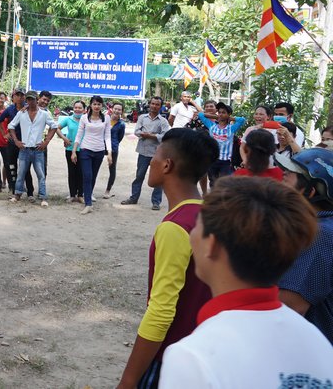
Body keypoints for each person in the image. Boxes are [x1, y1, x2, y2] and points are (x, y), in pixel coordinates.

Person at [159, 176, 333, 387]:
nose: (191, 235)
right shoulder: (318, 343)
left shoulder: (193, 356)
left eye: (197, 225)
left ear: (212, 244)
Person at [118, 128, 219, 389]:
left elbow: (161, 312)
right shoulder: (216, 216)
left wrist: (129, 379)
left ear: (167, 165)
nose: (150, 160)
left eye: (155, 155)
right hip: (207, 352)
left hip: (173, 357)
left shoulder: (176, 227)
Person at [276, 148, 333, 343]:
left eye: (289, 176)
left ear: (310, 191)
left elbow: (288, 308)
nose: (281, 179)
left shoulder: (320, 236)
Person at [121, 97, 171, 212]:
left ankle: (156, 202)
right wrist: (149, 135)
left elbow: (165, 136)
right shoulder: (142, 118)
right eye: (152, 104)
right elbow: (137, 132)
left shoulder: (163, 121)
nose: (154, 106)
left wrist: (151, 136)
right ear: (149, 104)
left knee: (158, 178)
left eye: (157, 104)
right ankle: (133, 198)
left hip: (157, 153)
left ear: (160, 106)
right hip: (143, 152)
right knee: (139, 176)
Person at [9, 91, 57, 208]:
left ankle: (43, 196)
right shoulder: (22, 113)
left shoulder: (44, 114)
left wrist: (46, 141)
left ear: (37, 99)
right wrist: (16, 141)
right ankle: (17, 194)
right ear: (26, 100)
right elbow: (11, 126)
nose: (30, 101)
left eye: (33, 99)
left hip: (38, 149)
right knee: (21, 173)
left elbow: (54, 126)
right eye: (28, 99)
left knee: (40, 174)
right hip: (24, 148)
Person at [72, 95, 112, 214]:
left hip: (99, 151)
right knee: (87, 176)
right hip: (85, 150)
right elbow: (79, 135)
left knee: (93, 177)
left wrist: (109, 153)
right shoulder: (84, 118)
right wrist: (74, 151)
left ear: (101, 105)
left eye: (99, 104)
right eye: (94, 104)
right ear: (90, 105)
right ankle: (88, 204)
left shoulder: (106, 118)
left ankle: (88, 197)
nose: (96, 106)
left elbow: (107, 136)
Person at [196, 101, 247, 186]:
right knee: (213, 182)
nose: (220, 114)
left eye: (223, 112)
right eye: (219, 112)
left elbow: (242, 120)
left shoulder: (231, 128)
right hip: (213, 160)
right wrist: (216, 116)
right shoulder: (212, 126)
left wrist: (229, 118)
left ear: (229, 114)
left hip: (226, 162)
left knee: (225, 184)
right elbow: (201, 115)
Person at [0, 89, 34, 199]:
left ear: (25, 97)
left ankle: (30, 192)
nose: (19, 97)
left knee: (26, 168)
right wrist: (4, 134)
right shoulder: (10, 109)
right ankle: (13, 190)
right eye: (17, 95)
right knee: (11, 167)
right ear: (13, 97)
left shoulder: (28, 109)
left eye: (21, 95)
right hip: (12, 143)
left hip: (25, 143)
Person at [60, 100, 85, 203]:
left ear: (84, 109)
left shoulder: (86, 120)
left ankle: (80, 195)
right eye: (76, 107)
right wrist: (64, 138)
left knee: (81, 172)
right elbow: (57, 128)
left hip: (83, 150)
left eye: (80, 108)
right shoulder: (68, 119)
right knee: (72, 172)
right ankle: (72, 194)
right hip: (70, 150)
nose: (77, 110)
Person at [104, 102, 125, 199]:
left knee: (112, 169)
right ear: (111, 109)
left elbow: (120, 137)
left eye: (119, 109)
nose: (117, 111)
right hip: (100, 146)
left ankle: (107, 191)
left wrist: (113, 145)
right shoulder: (104, 119)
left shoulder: (121, 124)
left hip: (113, 149)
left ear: (122, 111)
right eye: (115, 108)